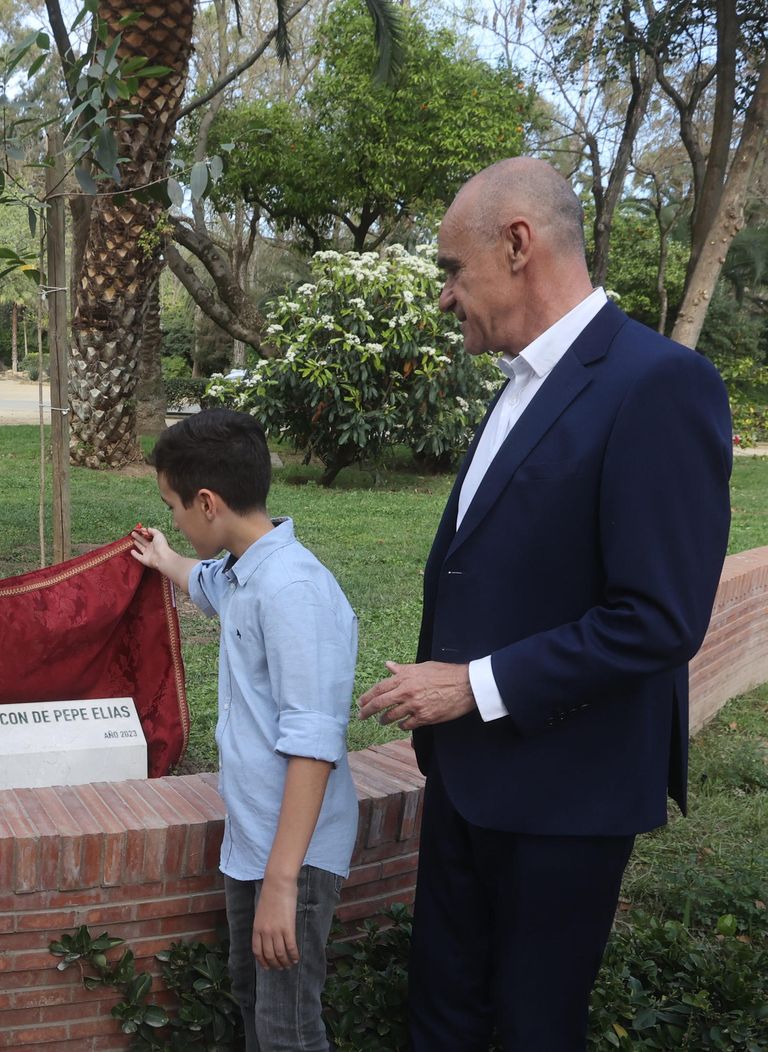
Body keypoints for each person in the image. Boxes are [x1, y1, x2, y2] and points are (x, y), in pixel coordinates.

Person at [357, 157, 733, 1050]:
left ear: (518, 245)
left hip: (568, 795)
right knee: (441, 1019)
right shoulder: (521, 384)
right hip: (467, 778)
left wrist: (471, 685)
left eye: (454, 269)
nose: (445, 295)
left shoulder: (659, 384)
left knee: (533, 1029)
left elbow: (658, 618)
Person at [131, 408, 358, 1052]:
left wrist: (282, 884)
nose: (174, 518)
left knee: (288, 1030)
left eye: (173, 506)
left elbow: (314, 745)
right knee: (256, 1003)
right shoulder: (244, 571)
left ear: (207, 502)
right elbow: (206, 585)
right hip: (254, 841)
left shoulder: (293, 592)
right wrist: (166, 558)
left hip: (294, 857)